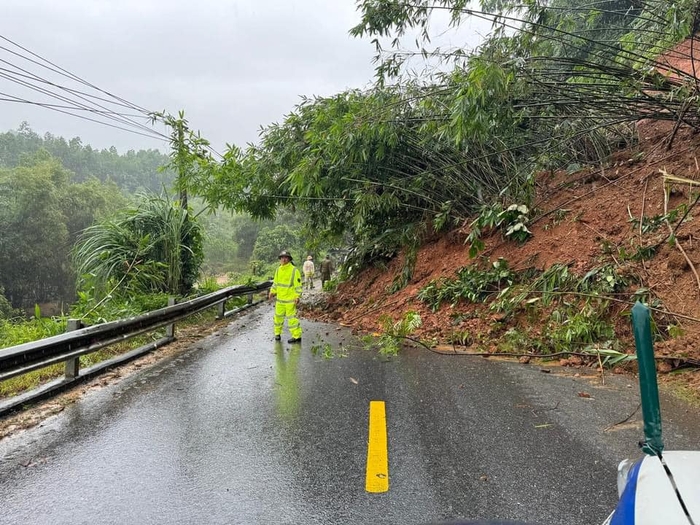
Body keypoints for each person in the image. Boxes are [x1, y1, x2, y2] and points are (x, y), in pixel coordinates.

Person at [268, 250, 303, 343]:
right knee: (278, 317)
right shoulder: (278, 270)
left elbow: (298, 286)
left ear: (289, 259)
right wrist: (272, 291)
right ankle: (277, 334)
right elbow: (275, 283)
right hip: (280, 300)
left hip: (290, 301)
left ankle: (296, 336)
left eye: (286, 257)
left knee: (292, 319)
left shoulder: (294, 270)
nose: (284, 259)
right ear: (280, 259)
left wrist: (297, 296)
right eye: (282, 257)